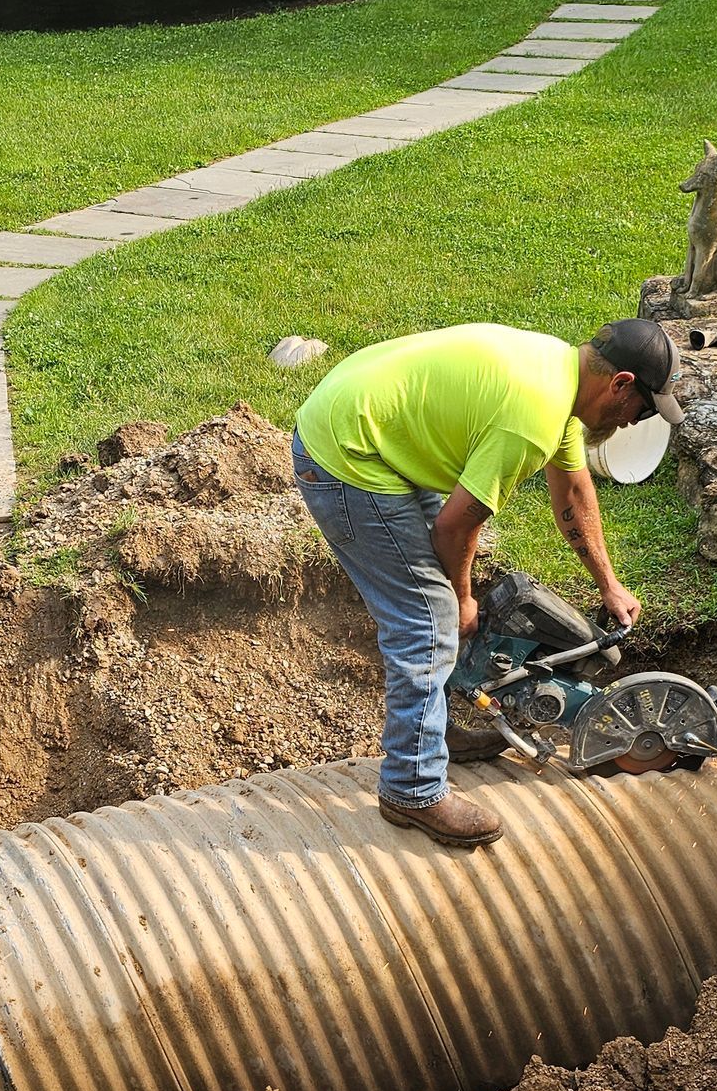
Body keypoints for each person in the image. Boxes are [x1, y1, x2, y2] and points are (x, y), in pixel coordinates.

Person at [291, 317, 683, 851]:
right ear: (621, 384)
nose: (634, 424)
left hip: (376, 425)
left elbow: (572, 492)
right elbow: (456, 527)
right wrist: (462, 598)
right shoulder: (532, 418)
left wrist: (609, 585)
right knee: (427, 618)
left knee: (439, 603)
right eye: (641, 411)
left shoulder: (562, 379)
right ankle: (412, 787)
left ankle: (435, 732)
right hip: (347, 454)